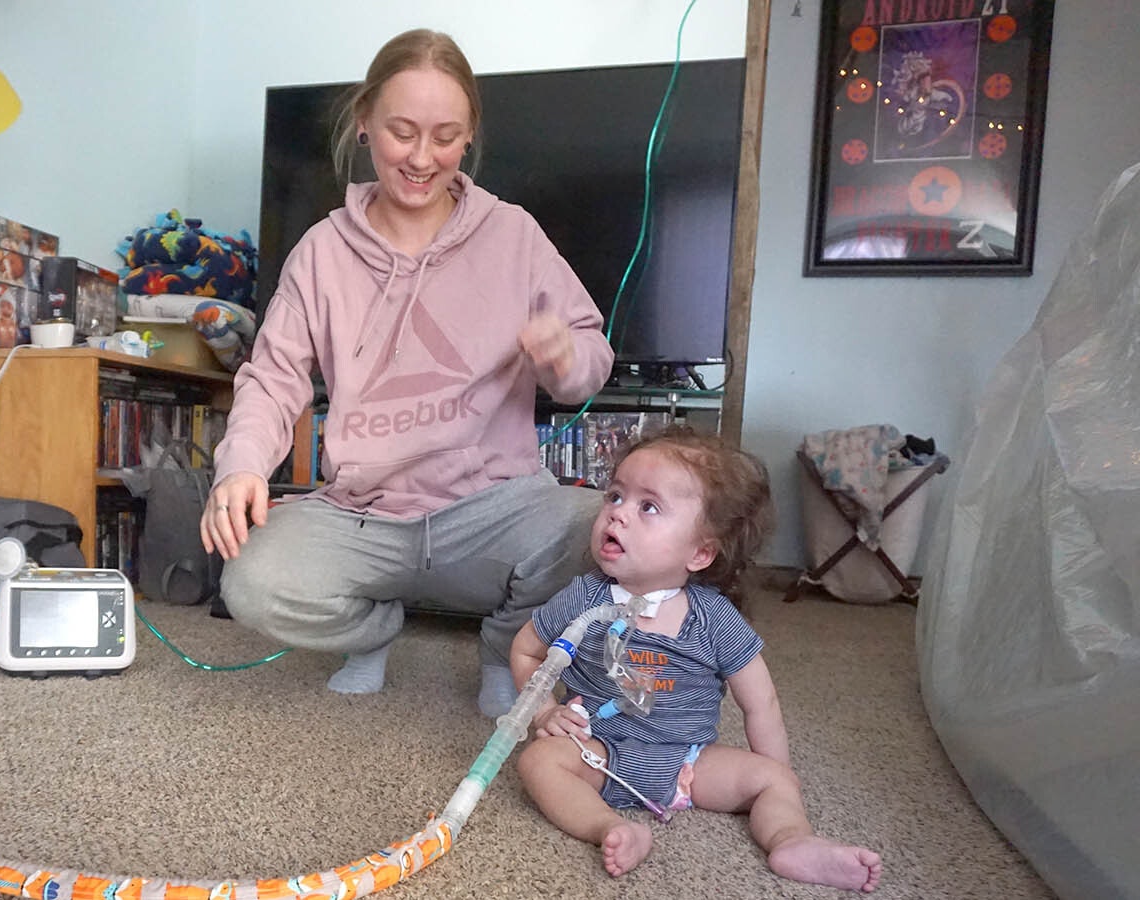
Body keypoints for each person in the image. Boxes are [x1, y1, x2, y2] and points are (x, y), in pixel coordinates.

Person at [200, 28, 613, 718]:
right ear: (364, 124)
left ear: (470, 136)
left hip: (494, 507)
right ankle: (375, 630)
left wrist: (566, 360)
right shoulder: (322, 251)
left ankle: (504, 648)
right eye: (402, 132)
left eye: (446, 137)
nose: (423, 158)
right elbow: (273, 378)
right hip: (364, 514)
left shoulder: (513, 233)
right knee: (250, 580)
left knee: (608, 532)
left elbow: (590, 355)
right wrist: (240, 466)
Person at [509, 428, 883, 891]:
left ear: (701, 552)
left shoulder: (715, 620)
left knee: (772, 780)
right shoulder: (583, 598)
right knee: (538, 762)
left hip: (691, 762)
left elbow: (760, 703)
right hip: (598, 750)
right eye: (615, 496)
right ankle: (608, 827)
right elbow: (526, 650)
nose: (617, 514)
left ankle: (791, 839)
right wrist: (545, 711)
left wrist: (775, 775)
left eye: (648, 506)